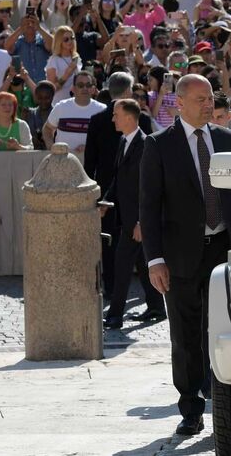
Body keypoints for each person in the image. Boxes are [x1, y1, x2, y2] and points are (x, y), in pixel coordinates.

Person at [139, 74, 231, 436]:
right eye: (200, 99)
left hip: (226, 252)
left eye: (211, 98)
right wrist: (154, 259)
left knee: (226, 329)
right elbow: (149, 206)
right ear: (180, 103)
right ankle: (190, 407)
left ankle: (227, 400)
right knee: (186, 334)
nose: (209, 104)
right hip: (179, 257)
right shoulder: (158, 146)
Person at [84, 72, 154, 299]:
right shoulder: (141, 118)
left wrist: (95, 194)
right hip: (133, 193)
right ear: (128, 91)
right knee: (136, 248)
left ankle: (114, 292)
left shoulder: (96, 120)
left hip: (107, 192)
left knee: (111, 244)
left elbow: (89, 162)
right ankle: (143, 301)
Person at [99, 99, 165, 330]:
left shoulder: (146, 144)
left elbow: (148, 187)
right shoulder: (123, 141)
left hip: (137, 221)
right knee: (141, 263)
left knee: (121, 265)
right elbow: (119, 178)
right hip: (126, 218)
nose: (113, 118)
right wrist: (106, 201)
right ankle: (157, 306)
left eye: (116, 114)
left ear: (128, 117)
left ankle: (115, 314)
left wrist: (141, 221)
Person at [42, 71, 106, 160]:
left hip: (91, 162)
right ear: (73, 88)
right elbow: (47, 129)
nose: (85, 88)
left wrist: (90, 147)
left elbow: (106, 137)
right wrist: (51, 147)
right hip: (62, 162)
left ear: (93, 89)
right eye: (80, 85)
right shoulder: (61, 106)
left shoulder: (102, 109)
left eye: (88, 85)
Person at [45, 26, 82, 104]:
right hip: (59, 103)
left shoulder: (76, 58)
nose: (70, 41)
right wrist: (67, 74)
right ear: (59, 41)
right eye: (66, 39)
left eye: (72, 38)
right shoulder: (54, 60)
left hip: (76, 102)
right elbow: (51, 89)